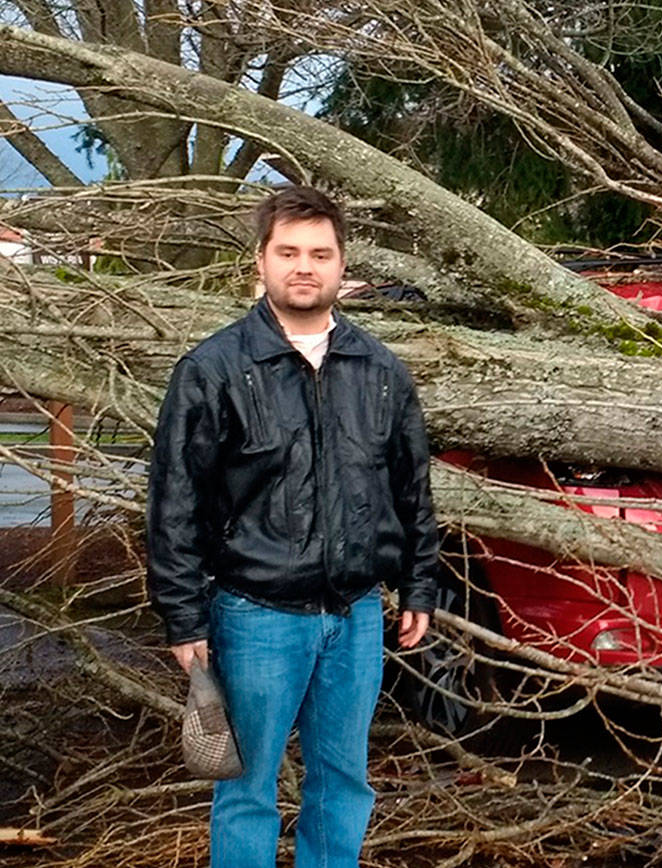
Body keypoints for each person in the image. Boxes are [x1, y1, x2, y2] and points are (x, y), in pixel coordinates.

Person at [146, 186, 441, 868]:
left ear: (343, 267)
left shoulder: (380, 371)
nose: (303, 267)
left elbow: (411, 488)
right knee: (247, 789)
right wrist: (183, 616)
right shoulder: (213, 370)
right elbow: (173, 501)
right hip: (256, 616)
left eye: (319, 253)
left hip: (356, 618)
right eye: (288, 253)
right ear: (261, 261)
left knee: (343, 783)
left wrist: (419, 583)